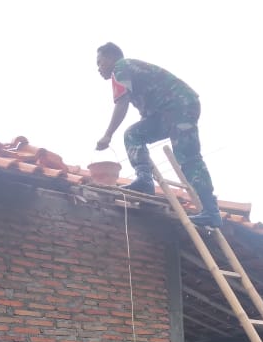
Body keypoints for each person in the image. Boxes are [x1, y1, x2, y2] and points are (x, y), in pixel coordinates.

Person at [94, 42, 222, 228]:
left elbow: (121, 104)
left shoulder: (121, 68)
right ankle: (145, 180)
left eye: (100, 62)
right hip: (166, 112)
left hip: (179, 107)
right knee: (134, 134)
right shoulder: (129, 71)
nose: (98, 68)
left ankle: (211, 212)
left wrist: (107, 135)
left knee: (188, 159)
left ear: (112, 57)